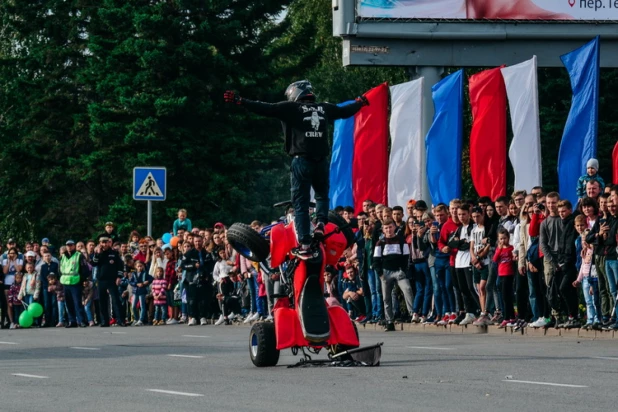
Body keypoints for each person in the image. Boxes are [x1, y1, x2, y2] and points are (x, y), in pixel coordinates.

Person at [224, 81, 369, 258]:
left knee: (300, 203)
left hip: (302, 161)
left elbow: (264, 108)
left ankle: (305, 243)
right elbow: (344, 111)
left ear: (295, 94)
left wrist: (240, 101)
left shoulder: (291, 108)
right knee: (322, 195)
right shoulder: (324, 108)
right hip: (321, 161)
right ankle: (321, 224)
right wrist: (359, 103)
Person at [373, 218, 414, 332]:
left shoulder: (401, 240)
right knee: (387, 298)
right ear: (383, 230)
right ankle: (389, 321)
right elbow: (376, 260)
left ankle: (412, 314)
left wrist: (404, 271)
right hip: (386, 272)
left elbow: (406, 257)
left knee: (407, 289)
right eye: (386, 228)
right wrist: (380, 274)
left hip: (399, 271)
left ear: (394, 227)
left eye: (390, 227)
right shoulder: (380, 243)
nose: (389, 230)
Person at [448, 204, 480, 325]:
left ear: (469, 214)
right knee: (462, 288)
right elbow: (451, 243)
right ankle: (469, 312)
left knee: (471, 287)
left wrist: (460, 243)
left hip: (468, 260)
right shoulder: (459, 229)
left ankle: (481, 310)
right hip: (459, 261)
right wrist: (461, 242)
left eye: (463, 214)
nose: (461, 217)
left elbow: (469, 245)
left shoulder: (473, 228)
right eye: (459, 214)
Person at [92, 237, 126, 327]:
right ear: (100, 243)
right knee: (102, 301)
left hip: (112, 280)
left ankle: (121, 320)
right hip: (101, 280)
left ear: (109, 243)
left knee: (116, 300)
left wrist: (119, 277)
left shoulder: (114, 253)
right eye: (102, 243)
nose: (104, 244)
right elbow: (94, 263)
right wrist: (97, 254)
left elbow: (120, 266)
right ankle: (105, 321)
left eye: (106, 242)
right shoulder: (98, 253)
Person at [573, 231, 601, 330]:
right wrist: (578, 279)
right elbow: (582, 266)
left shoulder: (593, 252)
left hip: (592, 278)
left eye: (587, 241)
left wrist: (592, 284)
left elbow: (593, 268)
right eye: (583, 240)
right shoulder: (584, 252)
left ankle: (597, 319)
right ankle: (590, 320)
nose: (584, 243)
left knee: (594, 300)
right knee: (588, 301)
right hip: (584, 278)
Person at [470, 207, 491, 326]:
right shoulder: (474, 230)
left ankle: (487, 311)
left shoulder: (486, 229)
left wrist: (479, 258)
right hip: (476, 263)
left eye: (478, 216)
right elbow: (471, 247)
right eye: (473, 217)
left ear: (482, 215)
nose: (476, 219)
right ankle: (483, 312)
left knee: (483, 287)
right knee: (479, 289)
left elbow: (488, 246)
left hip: (485, 262)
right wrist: (473, 258)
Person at [493, 229, 515, 328]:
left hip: (509, 274)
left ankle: (508, 318)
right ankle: (510, 316)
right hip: (501, 274)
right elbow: (495, 259)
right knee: (504, 296)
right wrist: (500, 249)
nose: (503, 241)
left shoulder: (511, 248)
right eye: (501, 239)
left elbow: (513, 258)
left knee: (507, 297)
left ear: (508, 238)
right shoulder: (499, 249)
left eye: (505, 238)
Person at [130, 261, 152, 326]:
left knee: (142, 305)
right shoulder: (134, 274)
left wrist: (147, 281)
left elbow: (151, 278)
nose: (140, 268)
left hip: (142, 291)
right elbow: (130, 282)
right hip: (135, 291)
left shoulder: (145, 273)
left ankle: (141, 320)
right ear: (135, 267)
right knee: (133, 306)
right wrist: (136, 284)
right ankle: (136, 319)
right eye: (138, 266)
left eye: (141, 266)